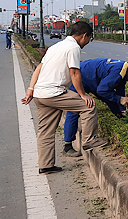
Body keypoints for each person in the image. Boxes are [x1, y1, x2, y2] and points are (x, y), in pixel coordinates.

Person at [21, 21, 106, 174]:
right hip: (54, 93)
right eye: (89, 39)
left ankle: (46, 165)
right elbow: (74, 72)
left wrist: (30, 89)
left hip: (40, 94)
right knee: (89, 106)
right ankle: (88, 141)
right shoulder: (73, 47)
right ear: (85, 36)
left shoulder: (56, 47)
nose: (88, 42)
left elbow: (39, 68)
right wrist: (83, 95)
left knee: (45, 131)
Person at [61, 59, 128, 157]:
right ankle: (68, 146)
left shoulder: (123, 70)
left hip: (91, 81)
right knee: (74, 110)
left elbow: (118, 93)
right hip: (80, 79)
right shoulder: (118, 72)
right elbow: (102, 91)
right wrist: (119, 99)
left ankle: (117, 114)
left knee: (109, 96)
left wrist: (120, 111)